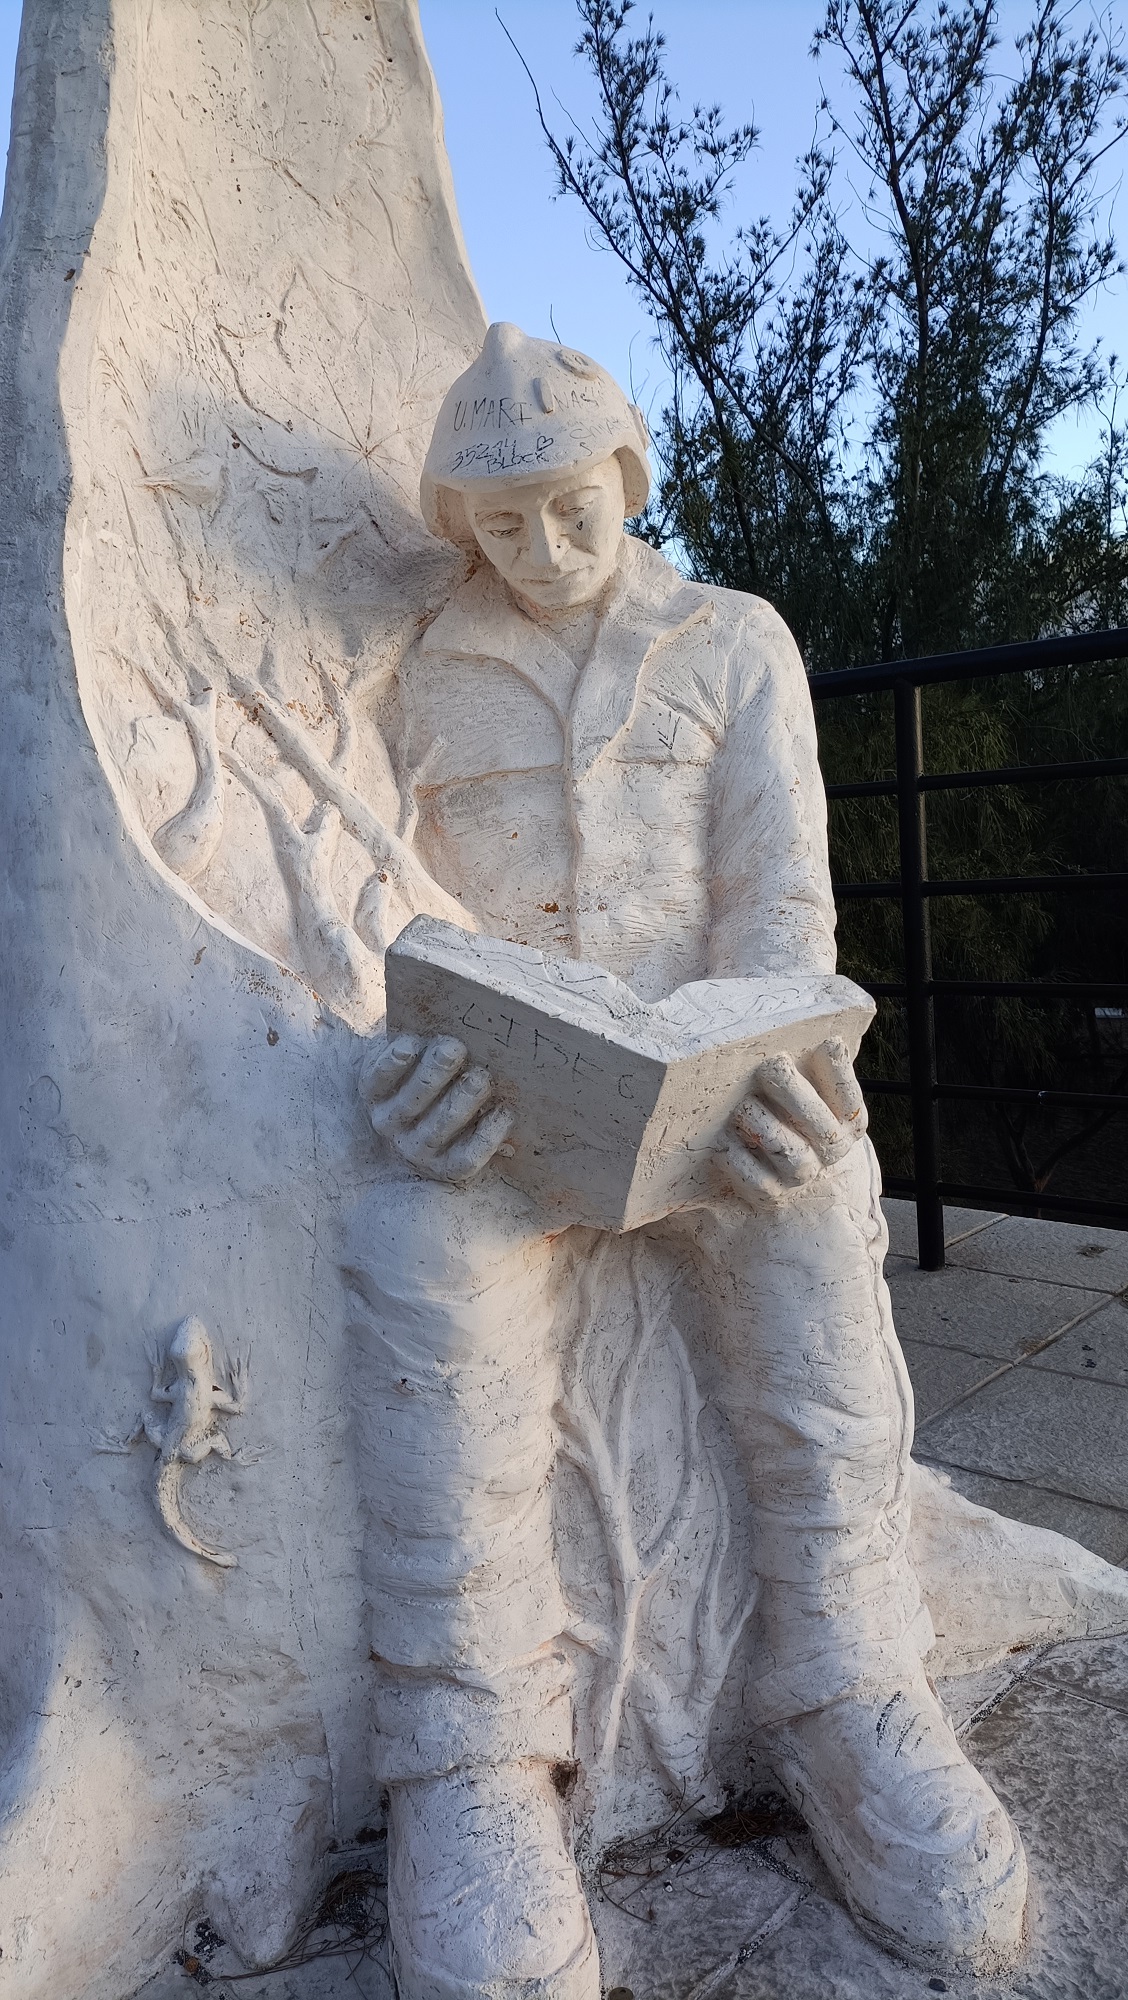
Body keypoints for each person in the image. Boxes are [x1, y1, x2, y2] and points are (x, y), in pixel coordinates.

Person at [346, 323, 1027, 1999]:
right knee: (423, 1244)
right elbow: (369, 917)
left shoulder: (735, 643)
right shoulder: (412, 669)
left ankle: (851, 1687)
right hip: (511, 1110)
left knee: (812, 1203)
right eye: (502, 521)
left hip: (715, 1087)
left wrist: (784, 1057)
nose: (542, 546)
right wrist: (407, 1073)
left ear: (630, 477)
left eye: (571, 505)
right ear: (459, 523)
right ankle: (472, 1761)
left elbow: (783, 902)